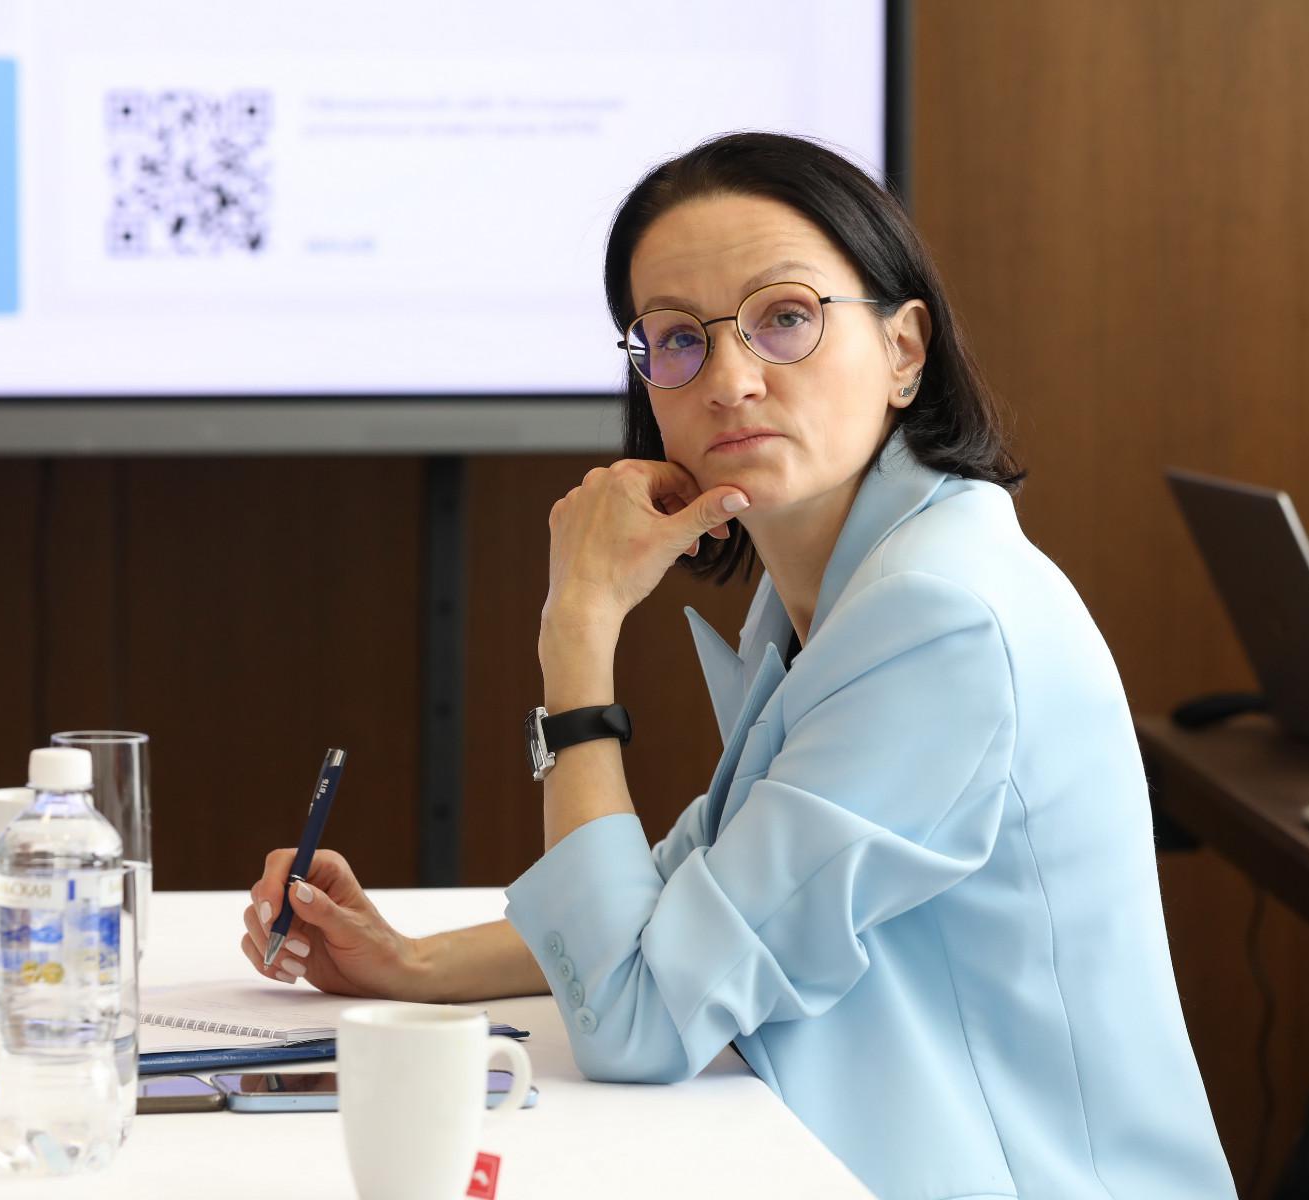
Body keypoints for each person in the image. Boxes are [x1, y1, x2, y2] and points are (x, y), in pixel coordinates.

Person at [239, 132, 1234, 1199]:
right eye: (677, 338)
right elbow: (687, 902)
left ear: (904, 350)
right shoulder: (836, 589)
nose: (730, 380)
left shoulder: (939, 619)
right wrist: (411, 964)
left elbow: (637, 1019)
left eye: (786, 317)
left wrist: (577, 632)